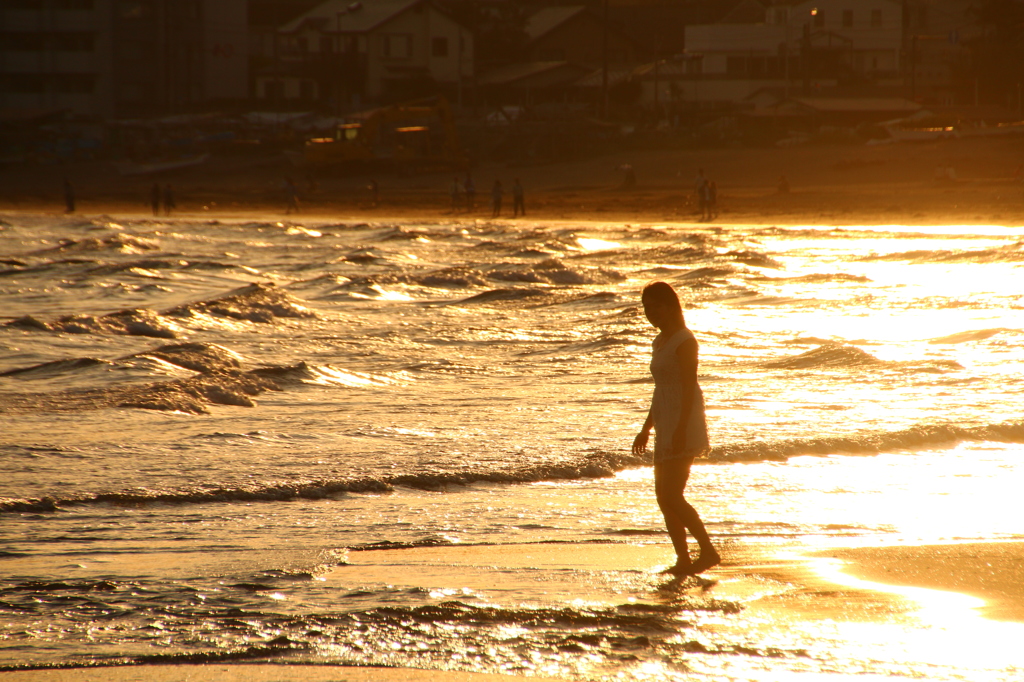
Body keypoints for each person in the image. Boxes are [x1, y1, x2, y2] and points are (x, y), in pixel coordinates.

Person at [632, 281, 719, 576]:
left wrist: (681, 429)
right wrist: (646, 428)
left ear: (670, 306)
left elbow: (687, 388)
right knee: (663, 497)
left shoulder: (685, 340)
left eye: (656, 306)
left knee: (672, 495)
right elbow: (661, 390)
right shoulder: (660, 341)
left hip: (685, 422)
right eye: (646, 307)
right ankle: (683, 559)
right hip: (665, 423)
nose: (650, 312)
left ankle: (707, 551)